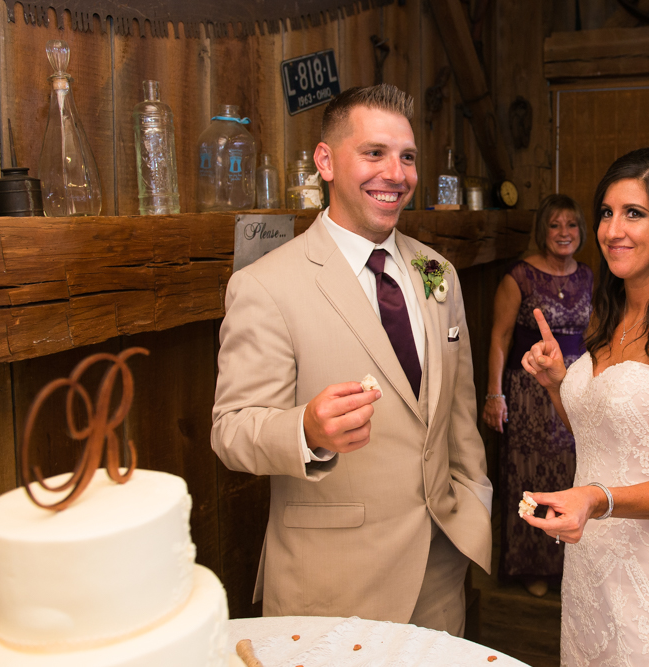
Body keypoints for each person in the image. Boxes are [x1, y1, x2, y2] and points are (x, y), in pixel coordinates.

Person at [210, 84, 492, 636]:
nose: (396, 172)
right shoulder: (265, 286)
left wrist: (473, 500)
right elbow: (231, 430)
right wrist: (306, 429)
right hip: (331, 581)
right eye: (374, 153)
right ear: (325, 162)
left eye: (407, 156)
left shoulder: (439, 272)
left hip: (439, 569)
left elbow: (458, 410)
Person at [520, 146, 649, 665]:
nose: (613, 230)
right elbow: (602, 434)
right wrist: (556, 383)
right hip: (592, 564)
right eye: (608, 213)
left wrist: (595, 498)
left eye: (634, 214)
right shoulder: (609, 313)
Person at [482, 194, 592, 597]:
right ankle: (531, 565)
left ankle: (568, 563)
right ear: (542, 231)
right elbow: (499, 337)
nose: (564, 233)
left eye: (571, 225)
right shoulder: (520, 276)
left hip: (575, 389)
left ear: (581, 231)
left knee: (571, 473)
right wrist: (495, 395)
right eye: (555, 225)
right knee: (528, 475)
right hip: (528, 392)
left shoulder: (589, 277)